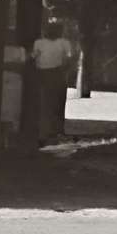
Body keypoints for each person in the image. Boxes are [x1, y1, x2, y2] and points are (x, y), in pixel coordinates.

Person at [27, 19, 79, 147]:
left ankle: (44, 133)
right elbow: (69, 58)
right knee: (57, 103)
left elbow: (33, 57)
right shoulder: (63, 43)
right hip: (57, 74)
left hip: (44, 74)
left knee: (45, 103)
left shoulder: (39, 43)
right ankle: (55, 131)